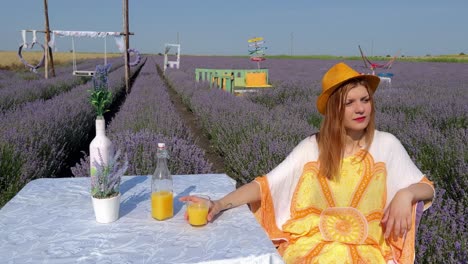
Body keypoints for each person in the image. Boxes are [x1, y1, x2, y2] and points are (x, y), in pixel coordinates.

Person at [180, 62, 435, 264]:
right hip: (313, 245)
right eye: (350, 102)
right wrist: (219, 203)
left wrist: (407, 192)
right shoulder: (312, 147)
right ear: (335, 109)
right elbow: (266, 185)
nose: (361, 109)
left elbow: (427, 188)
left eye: (365, 100)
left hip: (367, 249)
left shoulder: (386, 144)